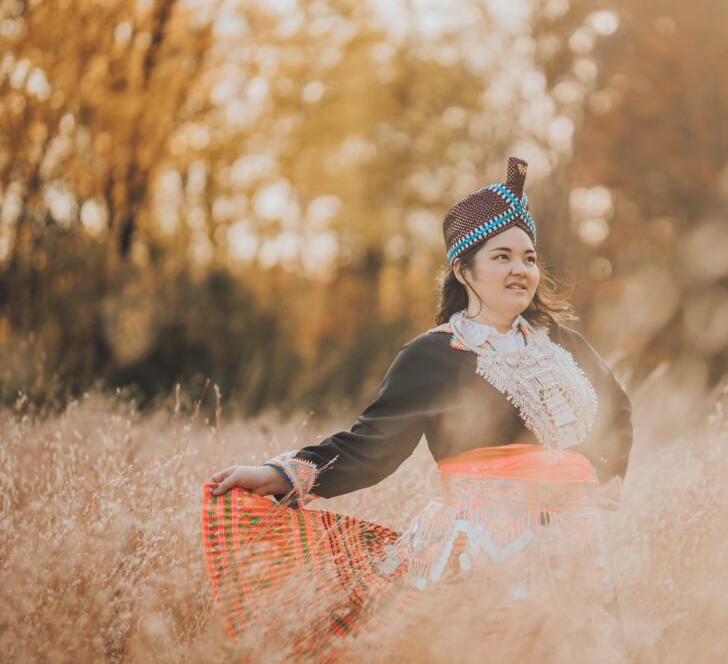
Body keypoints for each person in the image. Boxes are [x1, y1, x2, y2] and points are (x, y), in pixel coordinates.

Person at [202, 156, 634, 660]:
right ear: (462, 269)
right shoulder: (432, 355)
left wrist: (599, 477)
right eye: (502, 257)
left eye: (530, 258)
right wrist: (279, 474)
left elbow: (617, 410)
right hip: (477, 551)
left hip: (573, 552)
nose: (521, 270)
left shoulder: (563, 342)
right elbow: (370, 448)